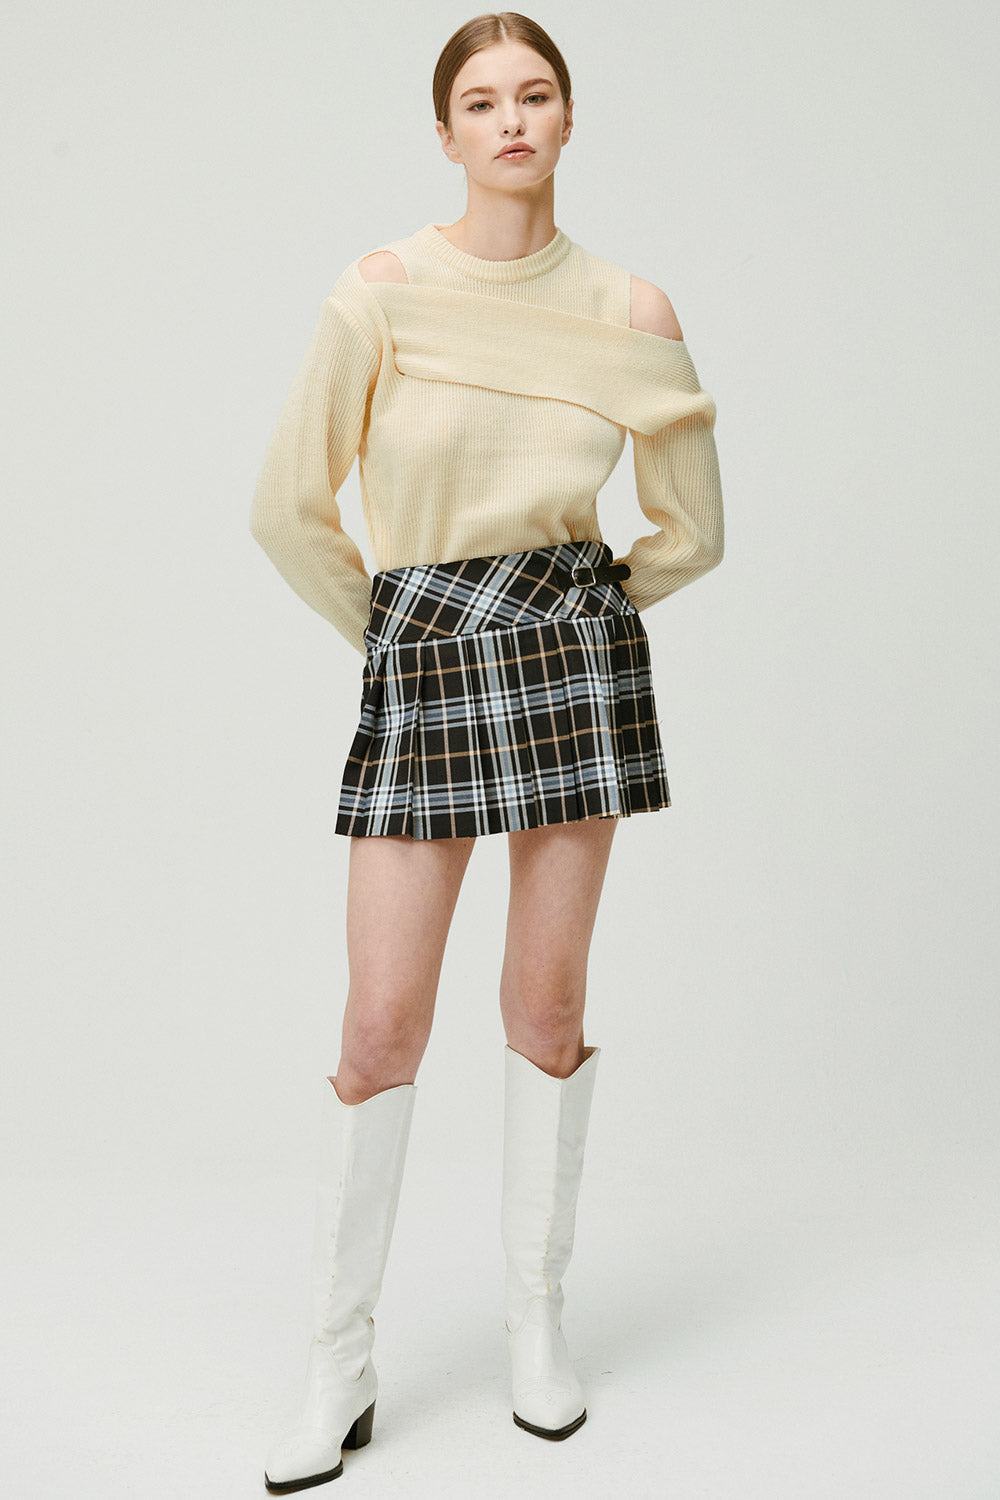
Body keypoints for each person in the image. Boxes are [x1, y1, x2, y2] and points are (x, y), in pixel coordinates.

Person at [250, 11, 724, 1492]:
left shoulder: (631, 310)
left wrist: (586, 615)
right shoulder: (382, 294)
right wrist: (403, 638)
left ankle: (535, 1323)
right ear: (446, 131)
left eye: (535, 95)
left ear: (569, 120)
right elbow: (287, 509)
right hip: (429, 658)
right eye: (481, 100)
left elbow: (694, 528)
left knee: (548, 1001)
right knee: (380, 1023)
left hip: (572, 660)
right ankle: (337, 1361)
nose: (511, 120)